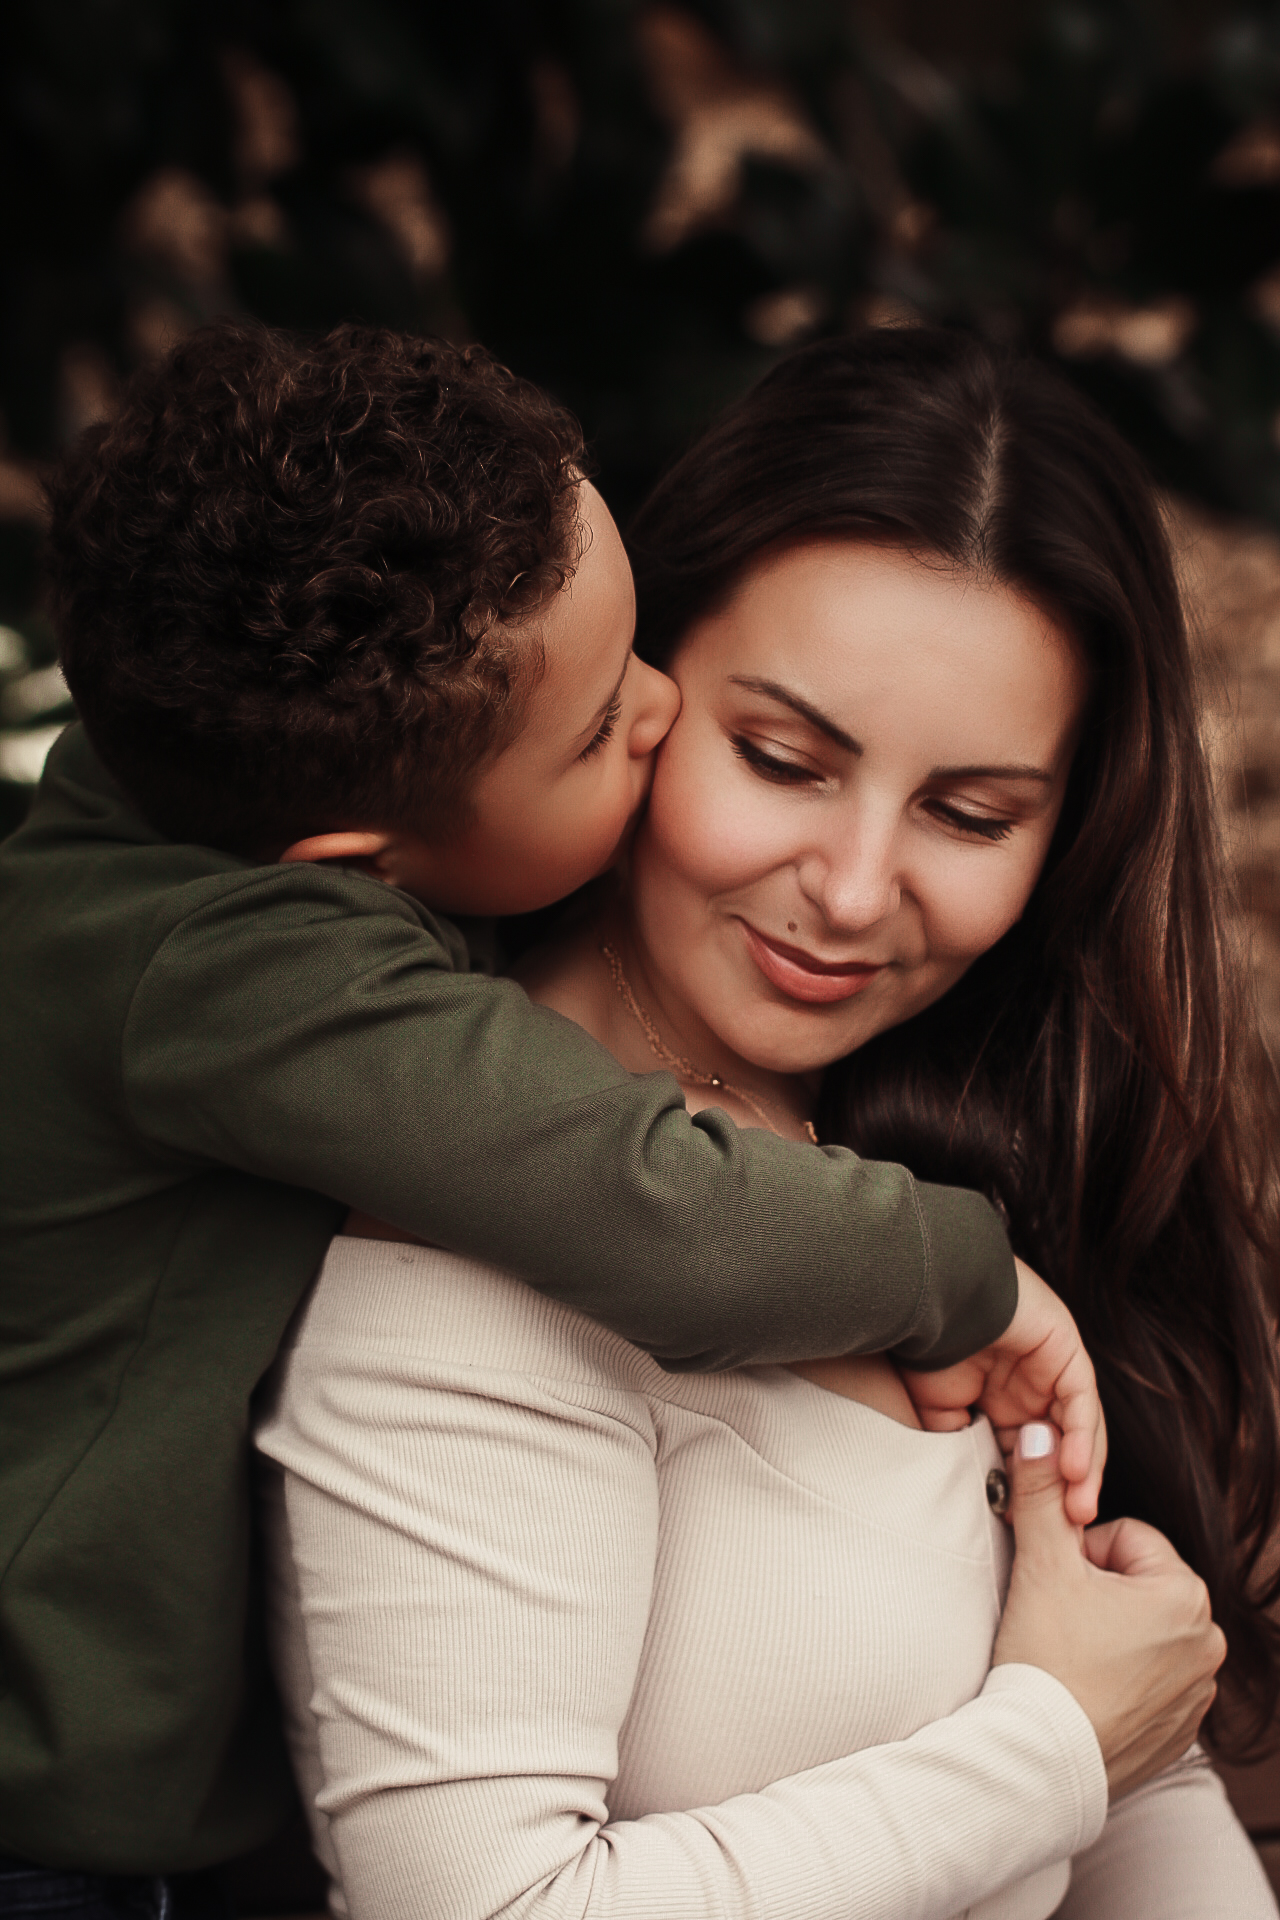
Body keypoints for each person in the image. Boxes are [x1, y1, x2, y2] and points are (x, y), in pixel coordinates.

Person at [0, 322, 1099, 1914]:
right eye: (598, 734)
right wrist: (959, 1270)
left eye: (639, 644)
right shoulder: (237, 971)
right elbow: (653, 1210)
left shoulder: (210, 744)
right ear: (357, 858)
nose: (657, 711)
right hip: (63, 1823)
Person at [256, 328, 1276, 1917]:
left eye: (970, 813)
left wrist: (1107, 1737)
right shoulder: (473, 1230)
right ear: (630, 695)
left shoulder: (941, 1146)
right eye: (785, 759)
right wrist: (1057, 1743)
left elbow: (1136, 1766)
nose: (859, 893)